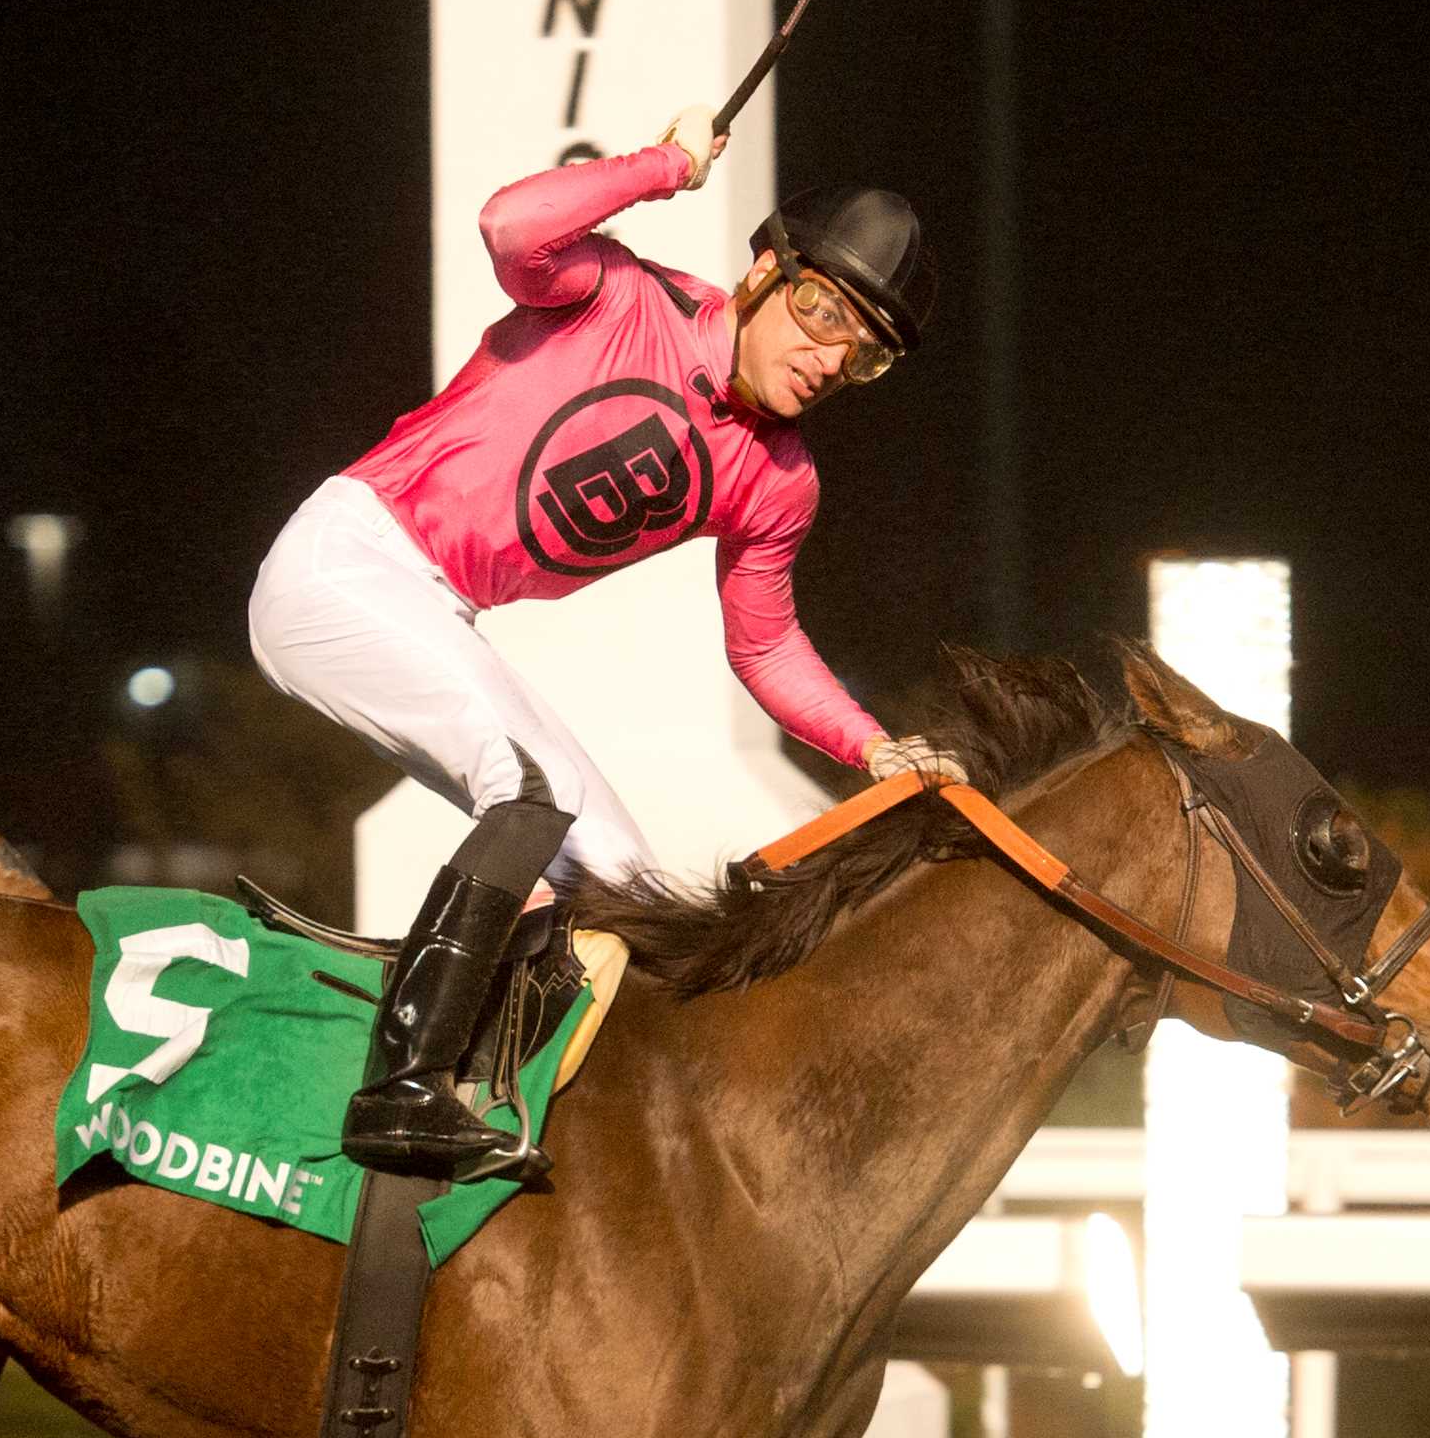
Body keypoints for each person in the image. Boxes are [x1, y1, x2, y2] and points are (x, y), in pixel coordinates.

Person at [248, 105, 961, 1183]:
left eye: (860, 357)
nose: (827, 359)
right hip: (348, 559)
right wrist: (665, 165)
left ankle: (502, 1098)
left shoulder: (780, 482)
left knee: (618, 874)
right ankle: (401, 1085)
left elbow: (765, 650)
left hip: (434, 607)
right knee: (526, 790)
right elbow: (510, 227)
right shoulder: (623, 296)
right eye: (821, 314)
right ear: (765, 270)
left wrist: (873, 748)